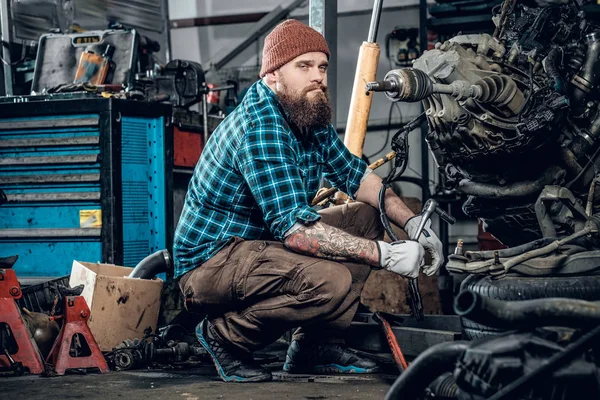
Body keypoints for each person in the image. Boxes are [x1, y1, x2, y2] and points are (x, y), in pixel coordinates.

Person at [173, 19, 444, 383]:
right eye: (303, 66)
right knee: (329, 280)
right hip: (212, 263)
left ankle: (315, 345)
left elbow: (357, 177)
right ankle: (224, 336)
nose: (317, 76)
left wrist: (413, 223)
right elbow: (296, 231)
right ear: (272, 75)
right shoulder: (261, 125)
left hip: (259, 245)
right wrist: (386, 255)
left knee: (368, 216)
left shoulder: (306, 110)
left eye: (321, 66)